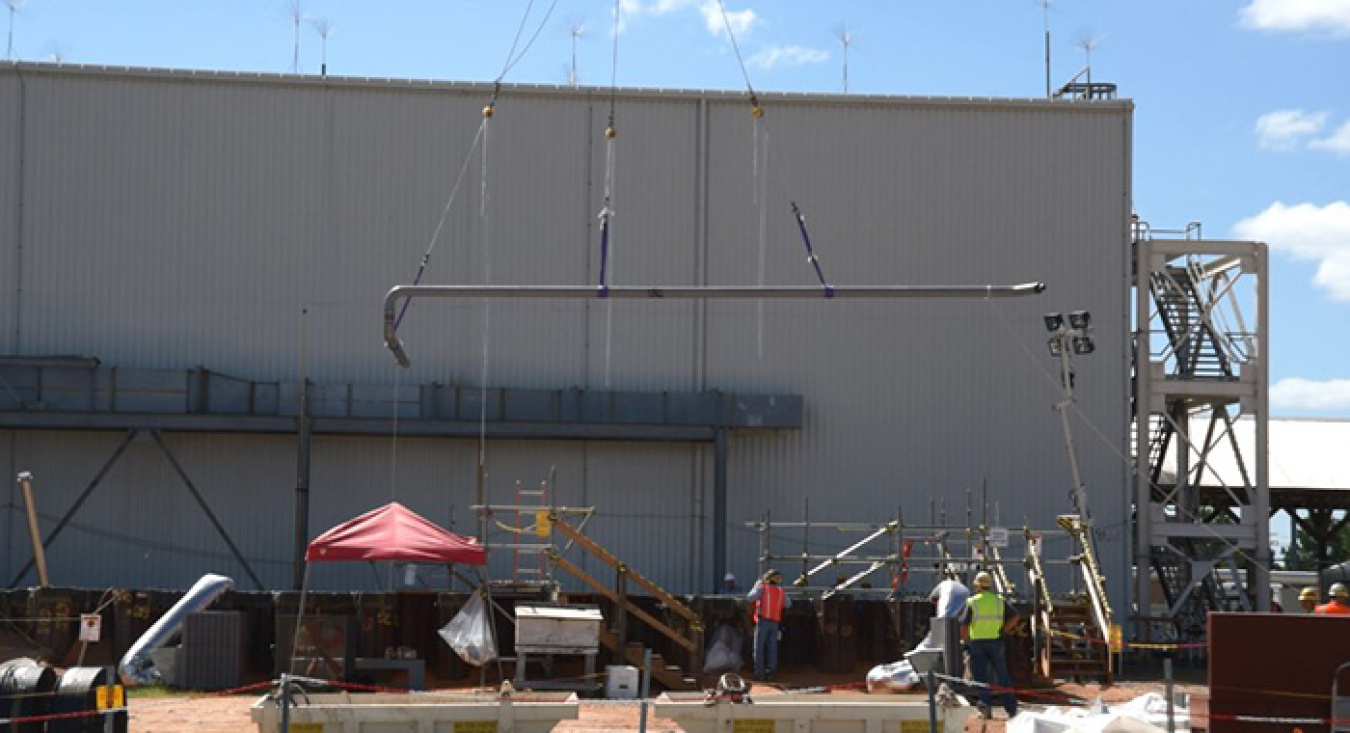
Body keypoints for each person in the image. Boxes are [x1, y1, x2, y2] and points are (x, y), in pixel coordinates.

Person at [962, 571, 1018, 719]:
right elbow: (1015, 617)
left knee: (981, 677)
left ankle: (985, 709)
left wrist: (965, 641)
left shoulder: (973, 602)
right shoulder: (999, 601)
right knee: (1002, 675)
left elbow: (964, 625)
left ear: (977, 585)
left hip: (977, 643)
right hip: (996, 641)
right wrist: (1003, 630)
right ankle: (1012, 709)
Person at [747, 568, 791, 680]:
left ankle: (759, 673)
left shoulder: (762, 588)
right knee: (772, 648)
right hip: (775, 623)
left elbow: (749, 598)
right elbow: (788, 604)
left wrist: (756, 586)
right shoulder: (781, 591)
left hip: (763, 621)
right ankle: (771, 672)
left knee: (759, 648)